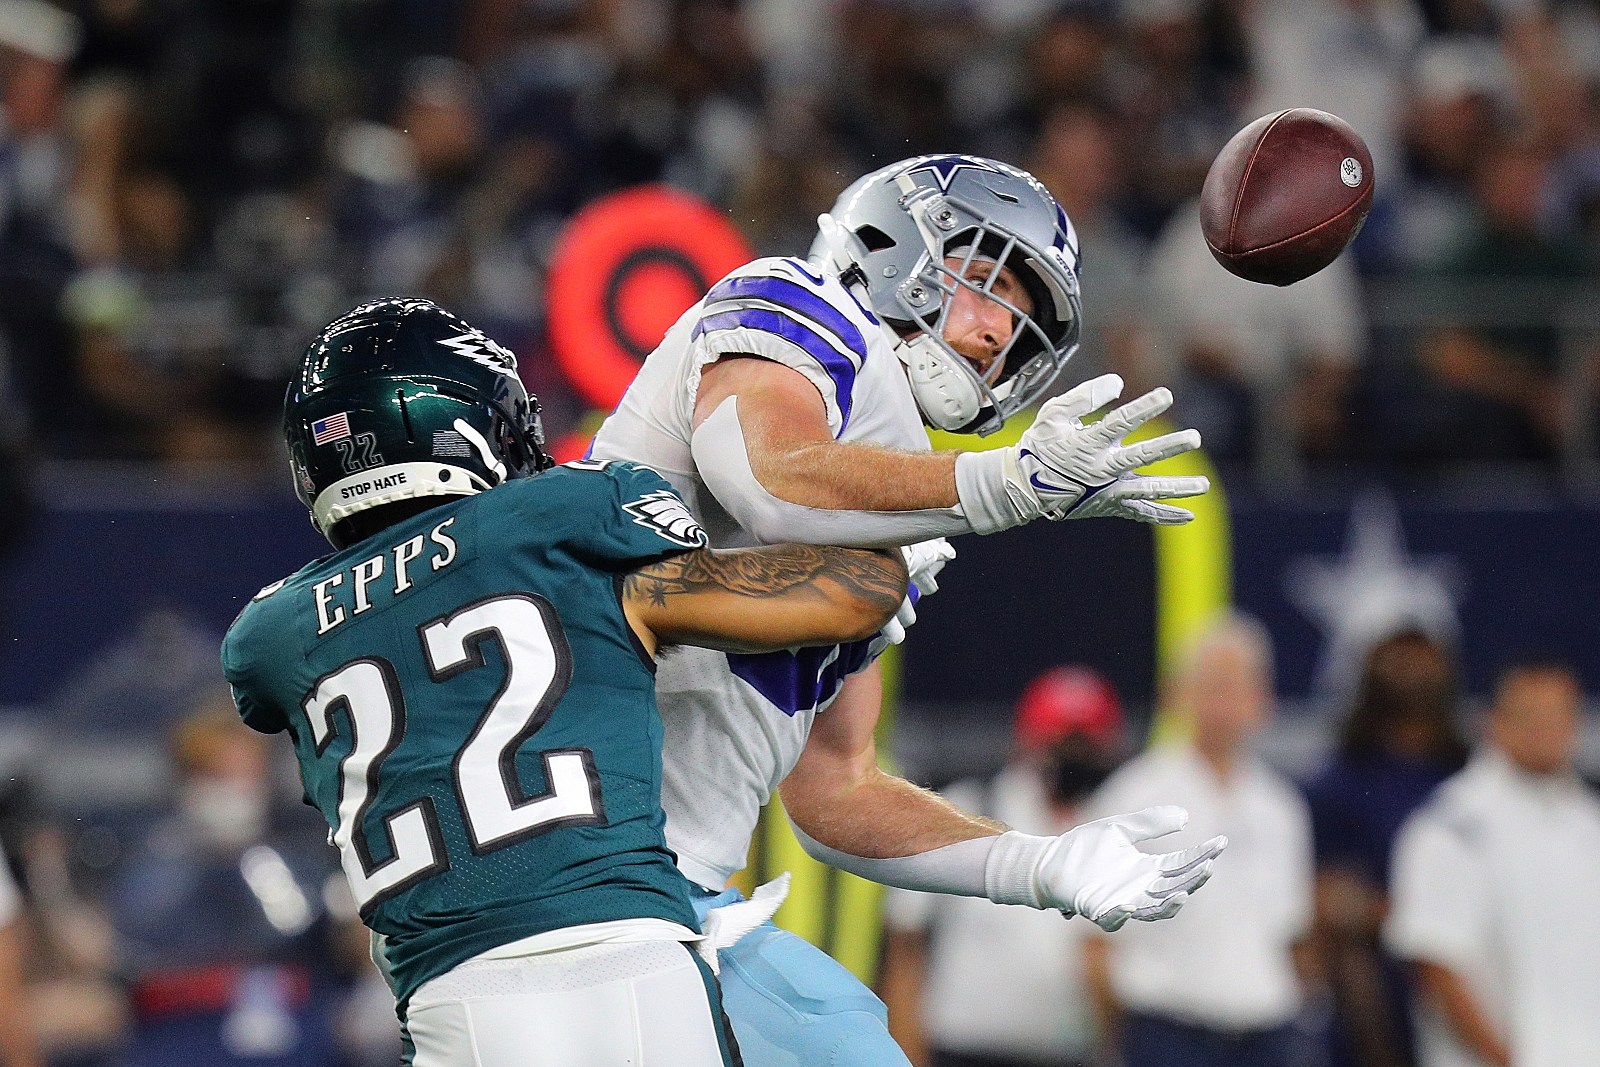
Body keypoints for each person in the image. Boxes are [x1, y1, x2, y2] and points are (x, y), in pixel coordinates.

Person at [589, 153, 1223, 1066]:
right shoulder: (801, 304)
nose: (998, 332)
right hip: (571, 869)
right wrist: (1002, 482)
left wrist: (1040, 864)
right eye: (989, 283)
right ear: (895, 245)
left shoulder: (892, 514)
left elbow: (836, 788)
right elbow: (771, 480)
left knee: (852, 1045)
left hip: (676, 891)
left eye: (1023, 322)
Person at [220, 297, 914, 1067]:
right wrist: (891, 550)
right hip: (633, 960)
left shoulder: (272, 633)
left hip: (456, 998)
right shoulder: (563, 516)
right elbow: (846, 597)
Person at [1083, 614, 1315, 1067]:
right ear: (1179, 696)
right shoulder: (1134, 798)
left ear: (1262, 700)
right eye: (1210, 685)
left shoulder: (1281, 808)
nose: (1223, 703)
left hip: (1265, 1036)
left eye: (1236, 686)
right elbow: (1092, 943)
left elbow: (1292, 936)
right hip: (1168, 1032)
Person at [879, 665, 1130, 1067]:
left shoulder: (1114, 833)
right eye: (1063, 741)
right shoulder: (967, 812)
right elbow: (906, 946)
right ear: (1029, 741)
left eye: (1087, 744)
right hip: (963, 1050)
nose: (1074, 757)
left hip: (1066, 1054)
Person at [1384, 658, 1600, 1067]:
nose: (1547, 731)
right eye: (1531, 717)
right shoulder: (1452, 826)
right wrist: (1503, 1059)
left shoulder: (1589, 824)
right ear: (1494, 723)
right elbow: (1436, 965)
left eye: (1559, 717)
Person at [1302, 627, 1469, 1067]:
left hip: (1470, 968)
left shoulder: (1472, 783)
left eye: (1424, 663)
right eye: (1398, 663)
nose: (1412, 677)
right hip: (1376, 982)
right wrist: (1400, 917)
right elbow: (1326, 899)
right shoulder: (1337, 784)